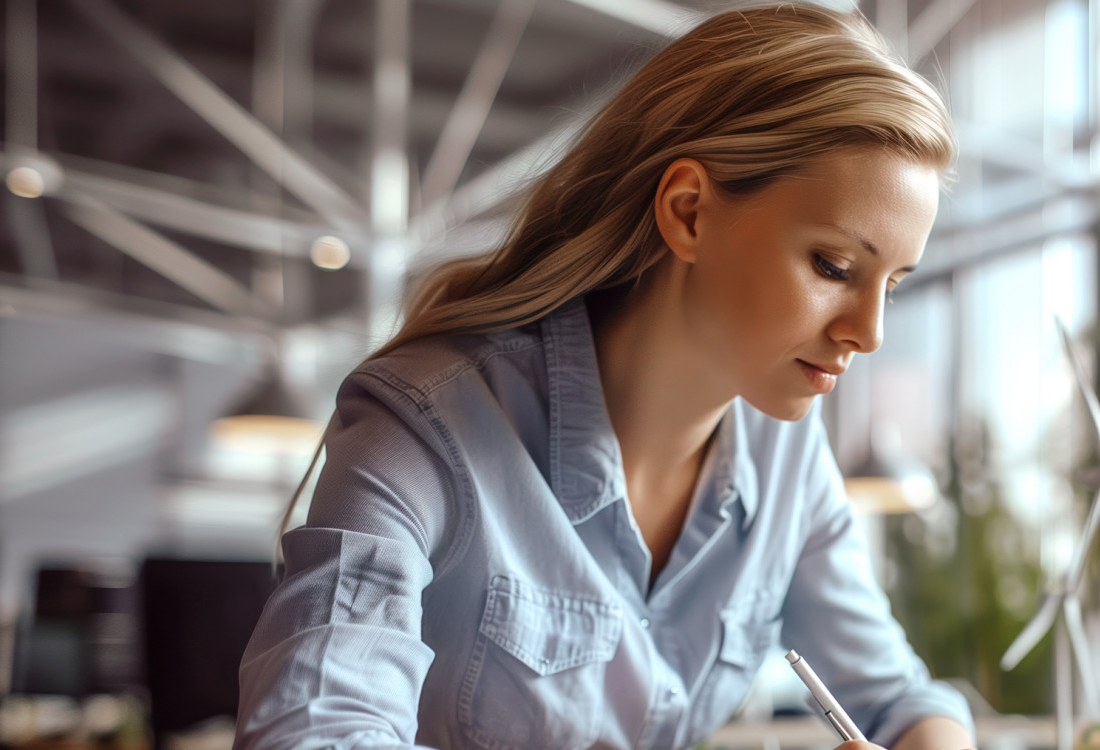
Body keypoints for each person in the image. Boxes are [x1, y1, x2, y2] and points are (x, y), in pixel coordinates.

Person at [234, 5, 972, 749]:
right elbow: (311, 736)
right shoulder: (423, 426)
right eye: (835, 267)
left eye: (894, 284)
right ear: (688, 212)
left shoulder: (788, 465)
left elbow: (902, 699)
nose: (869, 333)